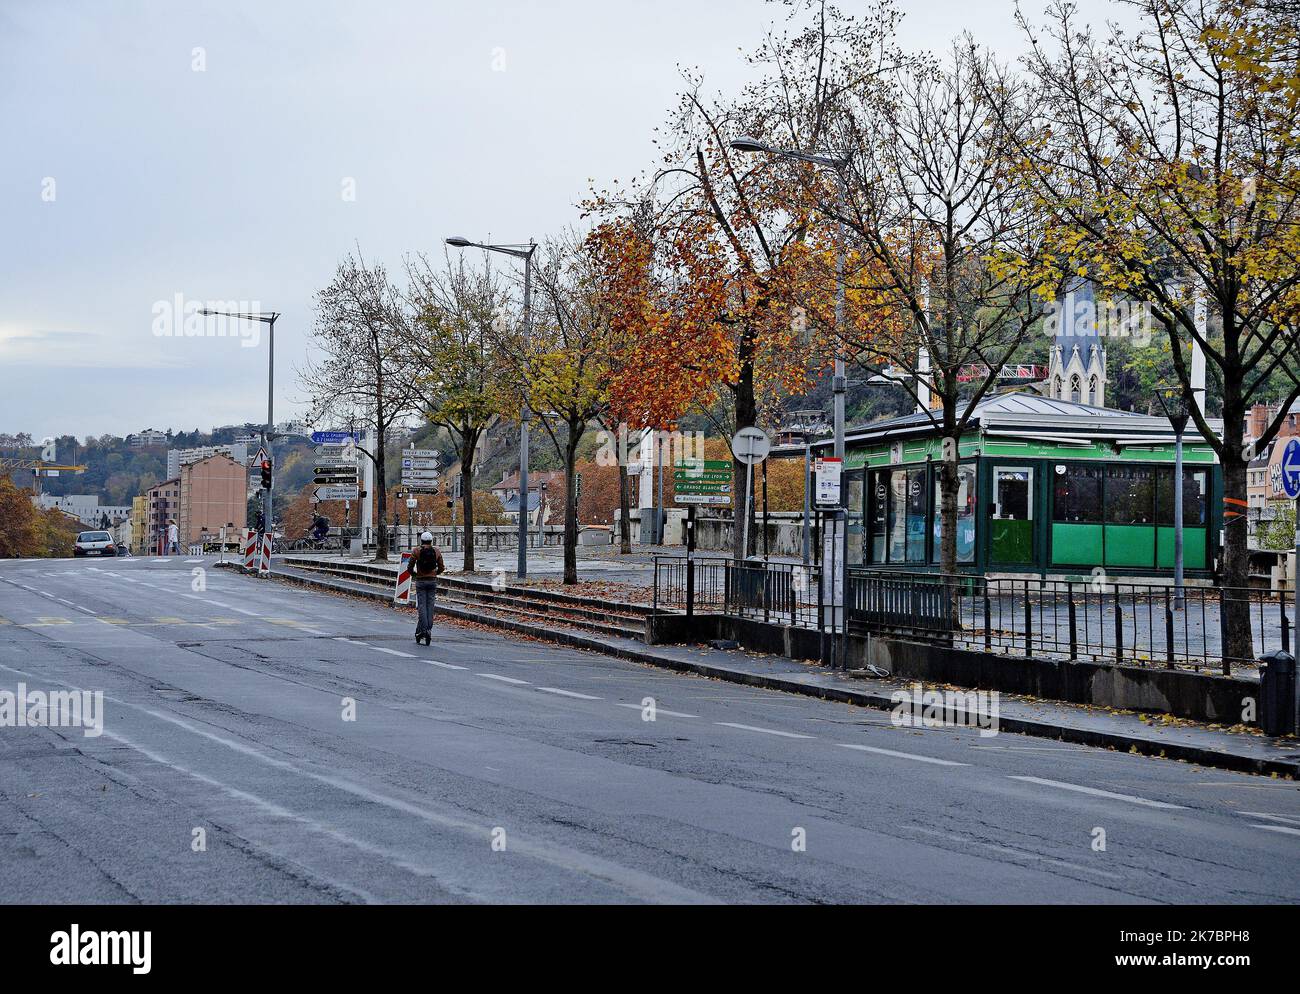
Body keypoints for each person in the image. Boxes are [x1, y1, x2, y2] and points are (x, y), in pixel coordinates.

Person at [411, 531, 444, 646]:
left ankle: (424, 630)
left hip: (420, 582)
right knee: (430, 606)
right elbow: (441, 567)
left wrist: (415, 575)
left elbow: (409, 567)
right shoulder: (436, 551)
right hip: (432, 582)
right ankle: (429, 629)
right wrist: (435, 574)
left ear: (421, 540)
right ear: (431, 541)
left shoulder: (416, 551)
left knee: (422, 606)